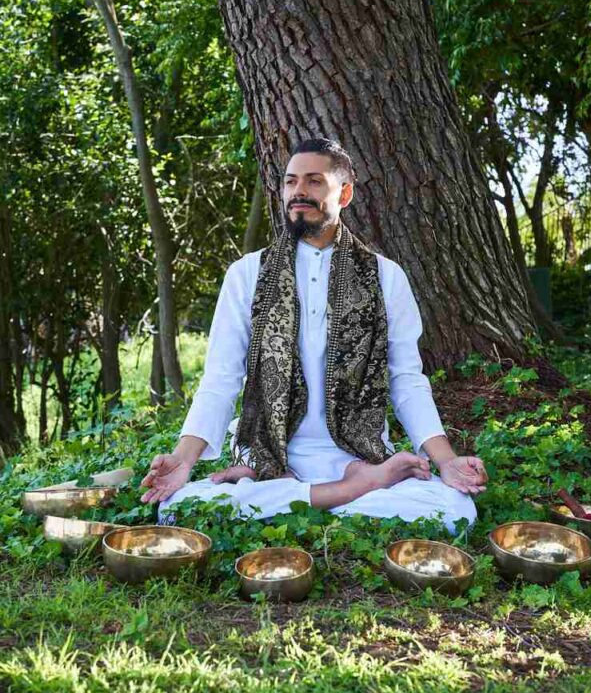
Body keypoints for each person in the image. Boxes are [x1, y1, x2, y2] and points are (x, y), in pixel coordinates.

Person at [140, 138, 487, 533]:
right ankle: (348, 494)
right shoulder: (247, 275)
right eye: (290, 182)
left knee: (453, 510)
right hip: (272, 458)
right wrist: (183, 461)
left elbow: (406, 379)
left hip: (358, 455)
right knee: (181, 509)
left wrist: (446, 462)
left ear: (346, 192)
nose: (298, 192)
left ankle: (324, 493)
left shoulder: (386, 277)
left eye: (314, 181)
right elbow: (220, 379)